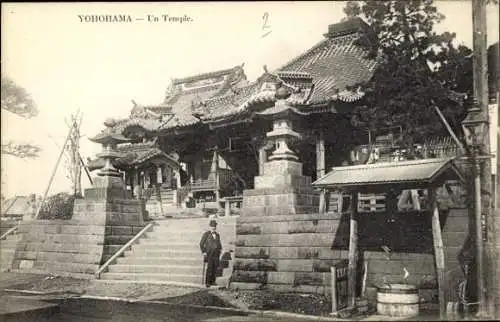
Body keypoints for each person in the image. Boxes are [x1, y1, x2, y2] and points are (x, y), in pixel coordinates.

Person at [199, 219, 222, 287]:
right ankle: (207, 282)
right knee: (210, 267)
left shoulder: (217, 235)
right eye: (212, 226)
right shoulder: (206, 234)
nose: (213, 227)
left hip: (216, 253)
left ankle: (213, 281)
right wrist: (204, 252)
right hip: (209, 253)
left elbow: (219, 243)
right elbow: (201, 244)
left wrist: (220, 249)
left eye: (214, 226)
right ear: (210, 226)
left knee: (215, 267)